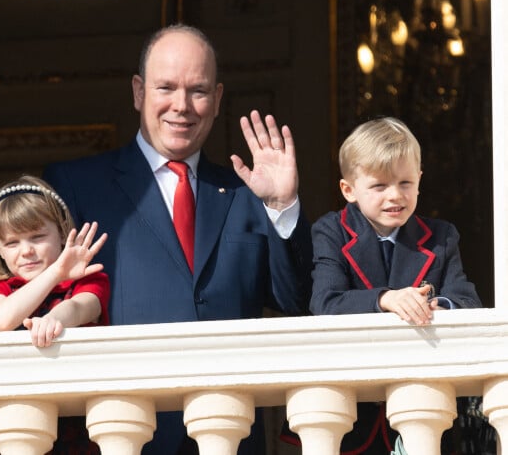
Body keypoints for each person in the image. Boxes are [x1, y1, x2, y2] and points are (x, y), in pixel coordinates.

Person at [44, 23, 313, 454]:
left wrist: (282, 206)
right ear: (138, 92)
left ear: (218, 99)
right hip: (124, 433)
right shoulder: (77, 185)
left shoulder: (248, 194)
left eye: (199, 91)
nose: (181, 106)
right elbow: (43, 301)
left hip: (231, 433)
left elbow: (296, 300)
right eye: (166, 87)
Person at [282, 116, 481, 454]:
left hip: (422, 413)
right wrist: (386, 299)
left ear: (419, 181)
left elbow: (467, 300)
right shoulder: (331, 230)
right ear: (349, 190)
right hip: (351, 417)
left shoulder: (442, 237)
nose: (395, 195)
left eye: (405, 183)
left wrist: (439, 307)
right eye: (379, 186)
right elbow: (326, 302)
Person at [0, 175, 110, 454]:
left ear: (62, 232)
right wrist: (56, 273)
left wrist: (54, 320)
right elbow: (2, 320)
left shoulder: (87, 280)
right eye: (12, 243)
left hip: (71, 422)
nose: (26, 251)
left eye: (38, 237)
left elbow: (80, 306)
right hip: (4, 422)